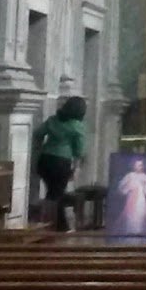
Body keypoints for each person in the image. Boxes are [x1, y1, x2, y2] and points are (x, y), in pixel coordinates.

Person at [32, 95, 86, 232]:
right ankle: (56, 225)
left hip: (45, 160)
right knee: (57, 194)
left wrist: (40, 148)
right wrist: (76, 168)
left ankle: (48, 222)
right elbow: (79, 150)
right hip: (61, 162)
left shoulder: (52, 120)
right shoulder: (77, 126)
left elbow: (38, 134)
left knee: (52, 192)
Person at [115, 156, 146, 238]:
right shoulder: (130, 175)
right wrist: (128, 187)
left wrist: (145, 185)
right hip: (131, 199)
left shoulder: (145, 176)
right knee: (130, 215)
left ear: (143, 166)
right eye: (137, 165)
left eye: (140, 165)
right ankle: (130, 231)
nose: (138, 167)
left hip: (140, 200)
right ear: (133, 166)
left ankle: (139, 231)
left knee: (140, 214)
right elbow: (121, 187)